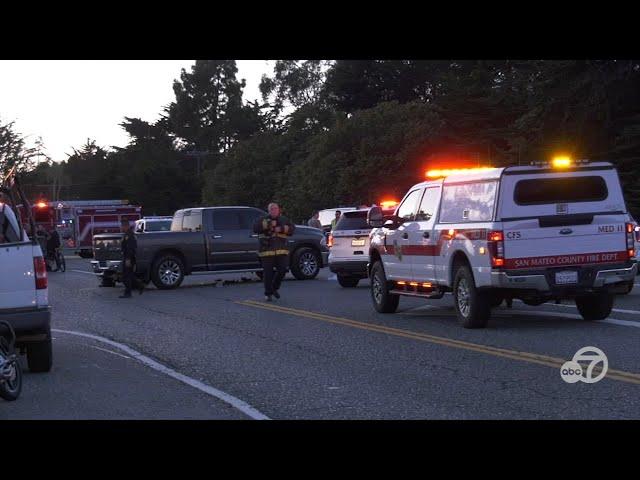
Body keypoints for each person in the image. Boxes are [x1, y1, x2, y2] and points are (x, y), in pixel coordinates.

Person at [253, 202, 295, 302]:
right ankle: (268, 294)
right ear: (268, 210)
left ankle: (274, 288)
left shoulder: (284, 219)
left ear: (278, 210)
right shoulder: (262, 219)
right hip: (266, 251)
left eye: (275, 208)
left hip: (281, 250)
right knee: (268, 273)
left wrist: (281, 228)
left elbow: (292, 229)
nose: (274, 210)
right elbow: (255, 228)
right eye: (272, 209)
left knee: (283, 270)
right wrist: (268, 225)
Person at [120, 218, 144, 298]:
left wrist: (128, 259)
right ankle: (140, 285)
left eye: (122, 226)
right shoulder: (126, 234)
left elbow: (130, 248)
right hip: (127, 257)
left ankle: (128, 293)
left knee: (126, 276)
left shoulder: (130, 235)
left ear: (126, 226)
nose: (121, 228)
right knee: (129, 275)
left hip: (129, 258)